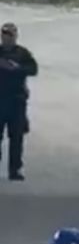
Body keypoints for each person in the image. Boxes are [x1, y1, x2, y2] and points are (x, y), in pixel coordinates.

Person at [0, 20, 39, 182]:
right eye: (4, 34)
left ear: (16, 36)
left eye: (10, 34)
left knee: (17, 137)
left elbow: (33, 69)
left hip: (17, 101)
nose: (7, 37)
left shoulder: (22, 53)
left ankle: (15, 170)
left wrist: (16, 68)